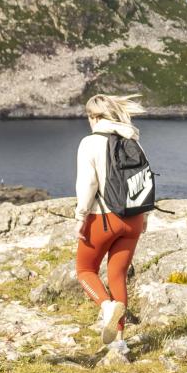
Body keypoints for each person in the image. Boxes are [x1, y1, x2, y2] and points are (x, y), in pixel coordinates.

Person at [75, 93, 148, 346]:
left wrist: (80, 216)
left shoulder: (90, 142)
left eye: (89, 116)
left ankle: (106, 308)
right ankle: (119, 342)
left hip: (104, 219)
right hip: (134, 217)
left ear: (94, 116)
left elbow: (87, 184)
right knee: (118, 275)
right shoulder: (133, 140)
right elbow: (142, 180)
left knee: (85, 270)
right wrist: (145, 215)